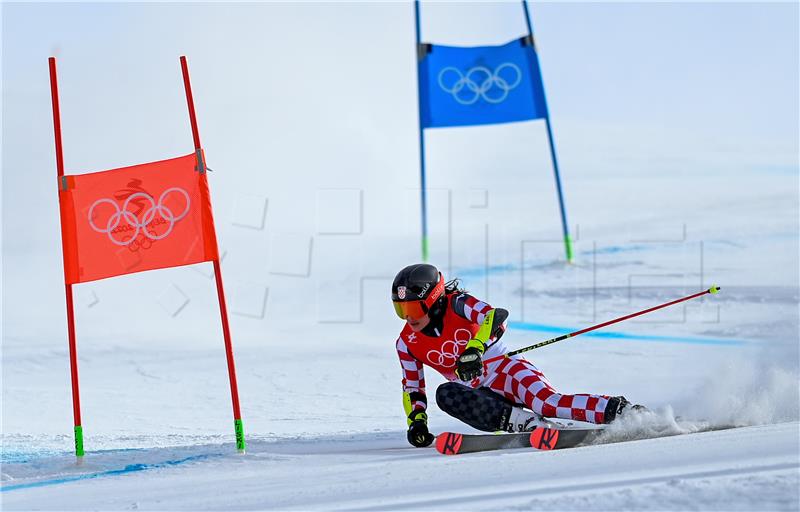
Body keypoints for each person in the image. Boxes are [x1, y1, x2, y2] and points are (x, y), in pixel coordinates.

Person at [392, 263, 640, 448]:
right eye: (401, 309)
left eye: (414, 308)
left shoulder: (458, 304)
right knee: (446, 394)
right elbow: (413, 387)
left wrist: (476, 348)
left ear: (434, 300)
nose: (409, 317)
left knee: (547, 403)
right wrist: (417, 421)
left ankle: (621, 410)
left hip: (505, 370)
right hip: (480, 397)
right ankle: (530, 424)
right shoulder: (406, 343)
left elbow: (495, 316)